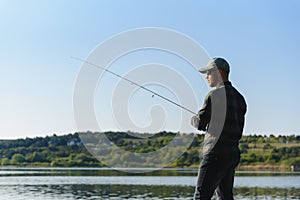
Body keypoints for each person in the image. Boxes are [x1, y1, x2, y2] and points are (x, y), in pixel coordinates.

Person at [191, 57, 247, 200]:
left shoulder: (214, 95)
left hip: (215, 153)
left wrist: (194, 119)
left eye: (209, 73)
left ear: (219, 72)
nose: (206, 77)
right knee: (225, 197)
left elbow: (200, 124)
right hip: (232, 155)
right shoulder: (240, 99)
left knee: (201, 196)